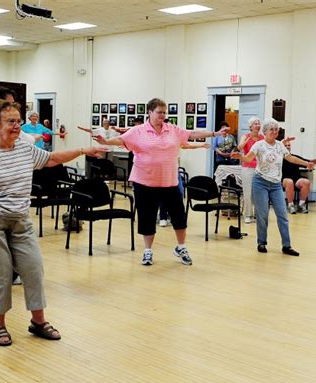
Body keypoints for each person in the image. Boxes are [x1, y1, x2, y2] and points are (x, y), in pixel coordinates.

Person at [0, 100, 106, 346]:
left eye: (18, 121)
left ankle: (38, 321)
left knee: (33, 267)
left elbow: (51, 159)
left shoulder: (24, 149)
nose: (17, 126)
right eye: (11, 122)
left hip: (19, 217)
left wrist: (82, 151)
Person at [93, 98, 229, 267]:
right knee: (147, 217)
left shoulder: (172, 129)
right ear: (149, 112)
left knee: (179, 217)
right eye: (159, 112)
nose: (163, 115)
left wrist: (215, 133)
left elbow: (192, 134)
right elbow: (120, 140)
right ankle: (148, 250)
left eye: (165, 113)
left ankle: (181, 247)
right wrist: (105, 142)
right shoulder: (138, 131)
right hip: (144, 181)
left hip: (169, 181)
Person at [231, 118, 315, 256]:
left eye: (276, 130)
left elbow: (291, 158)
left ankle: (286, 246)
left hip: (275, 184)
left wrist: (307, 163)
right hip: (260, 183)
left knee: (282, 215)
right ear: (265, 132)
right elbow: (248, 159)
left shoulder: (279, 145)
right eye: (271, 129)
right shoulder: (258, 145)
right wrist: (239, 156)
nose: (275, 132)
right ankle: (261, 242)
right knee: (262, 214)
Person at [159, 142, 211, 227]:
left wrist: (200, 145)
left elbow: (186, 145)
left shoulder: (174, 139)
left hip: (174, 171)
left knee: (179, 193)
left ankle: (173, 216)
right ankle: (163, 217)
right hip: (162, 171)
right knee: (163, 194)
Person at [282, 141, 316, 214]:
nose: (287, 147)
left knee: (306, 182)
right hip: (284, 178)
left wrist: (313, 162)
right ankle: (290, 205)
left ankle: (301, 204)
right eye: (285, 145)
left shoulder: (295, 157)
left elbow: (307, 162)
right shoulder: (278, 158)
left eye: (289, 145)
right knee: (289, 182)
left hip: (296, 177)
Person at [237, 116, 265, 224]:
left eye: (259, 123)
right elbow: (239, 148)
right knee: (247, 192)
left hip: (260, 168)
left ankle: (258, 214)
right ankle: (248, 214)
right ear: (250, 127)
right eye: (255, 124)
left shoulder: (262, 137)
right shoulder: (245, 136)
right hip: (247, 167)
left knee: (258, 193)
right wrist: (245, 142)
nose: (258, 125)